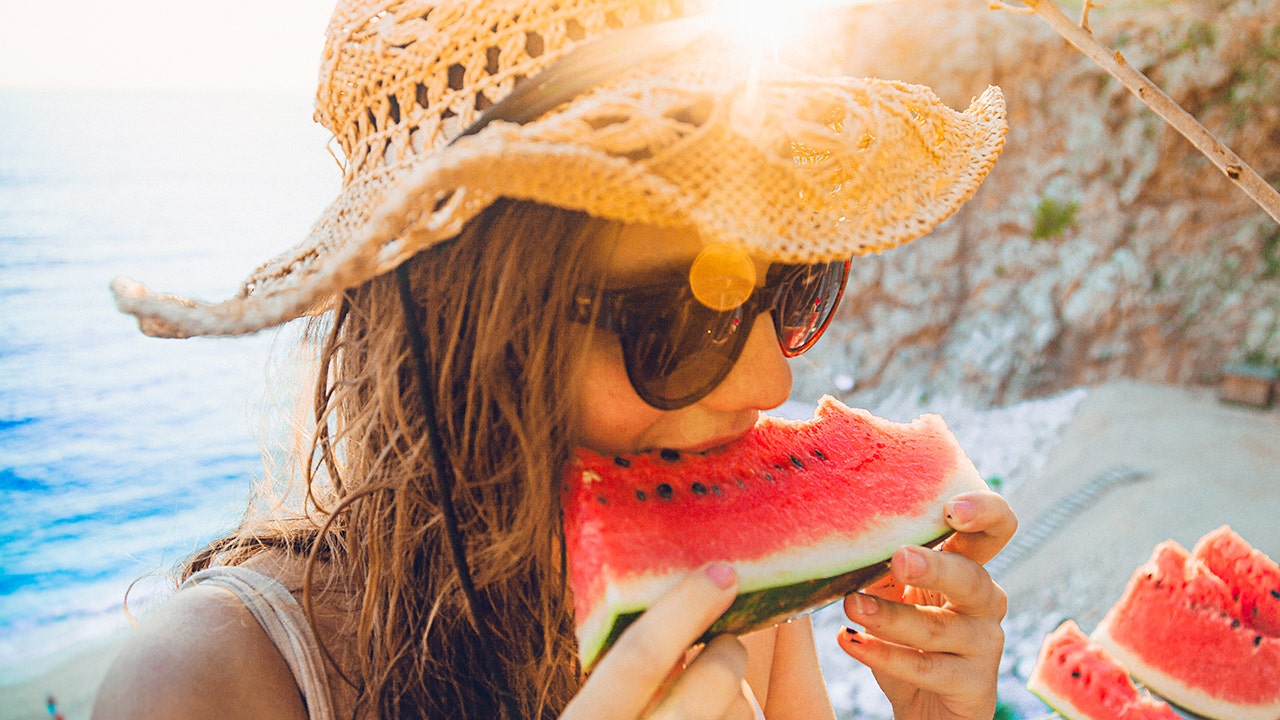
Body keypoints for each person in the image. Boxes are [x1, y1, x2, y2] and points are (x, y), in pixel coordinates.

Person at [95, 0, 1015, 718]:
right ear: (464, 331)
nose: (771, 382)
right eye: (681, 319)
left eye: (794, 286)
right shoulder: (207, 687)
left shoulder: (734, 614)